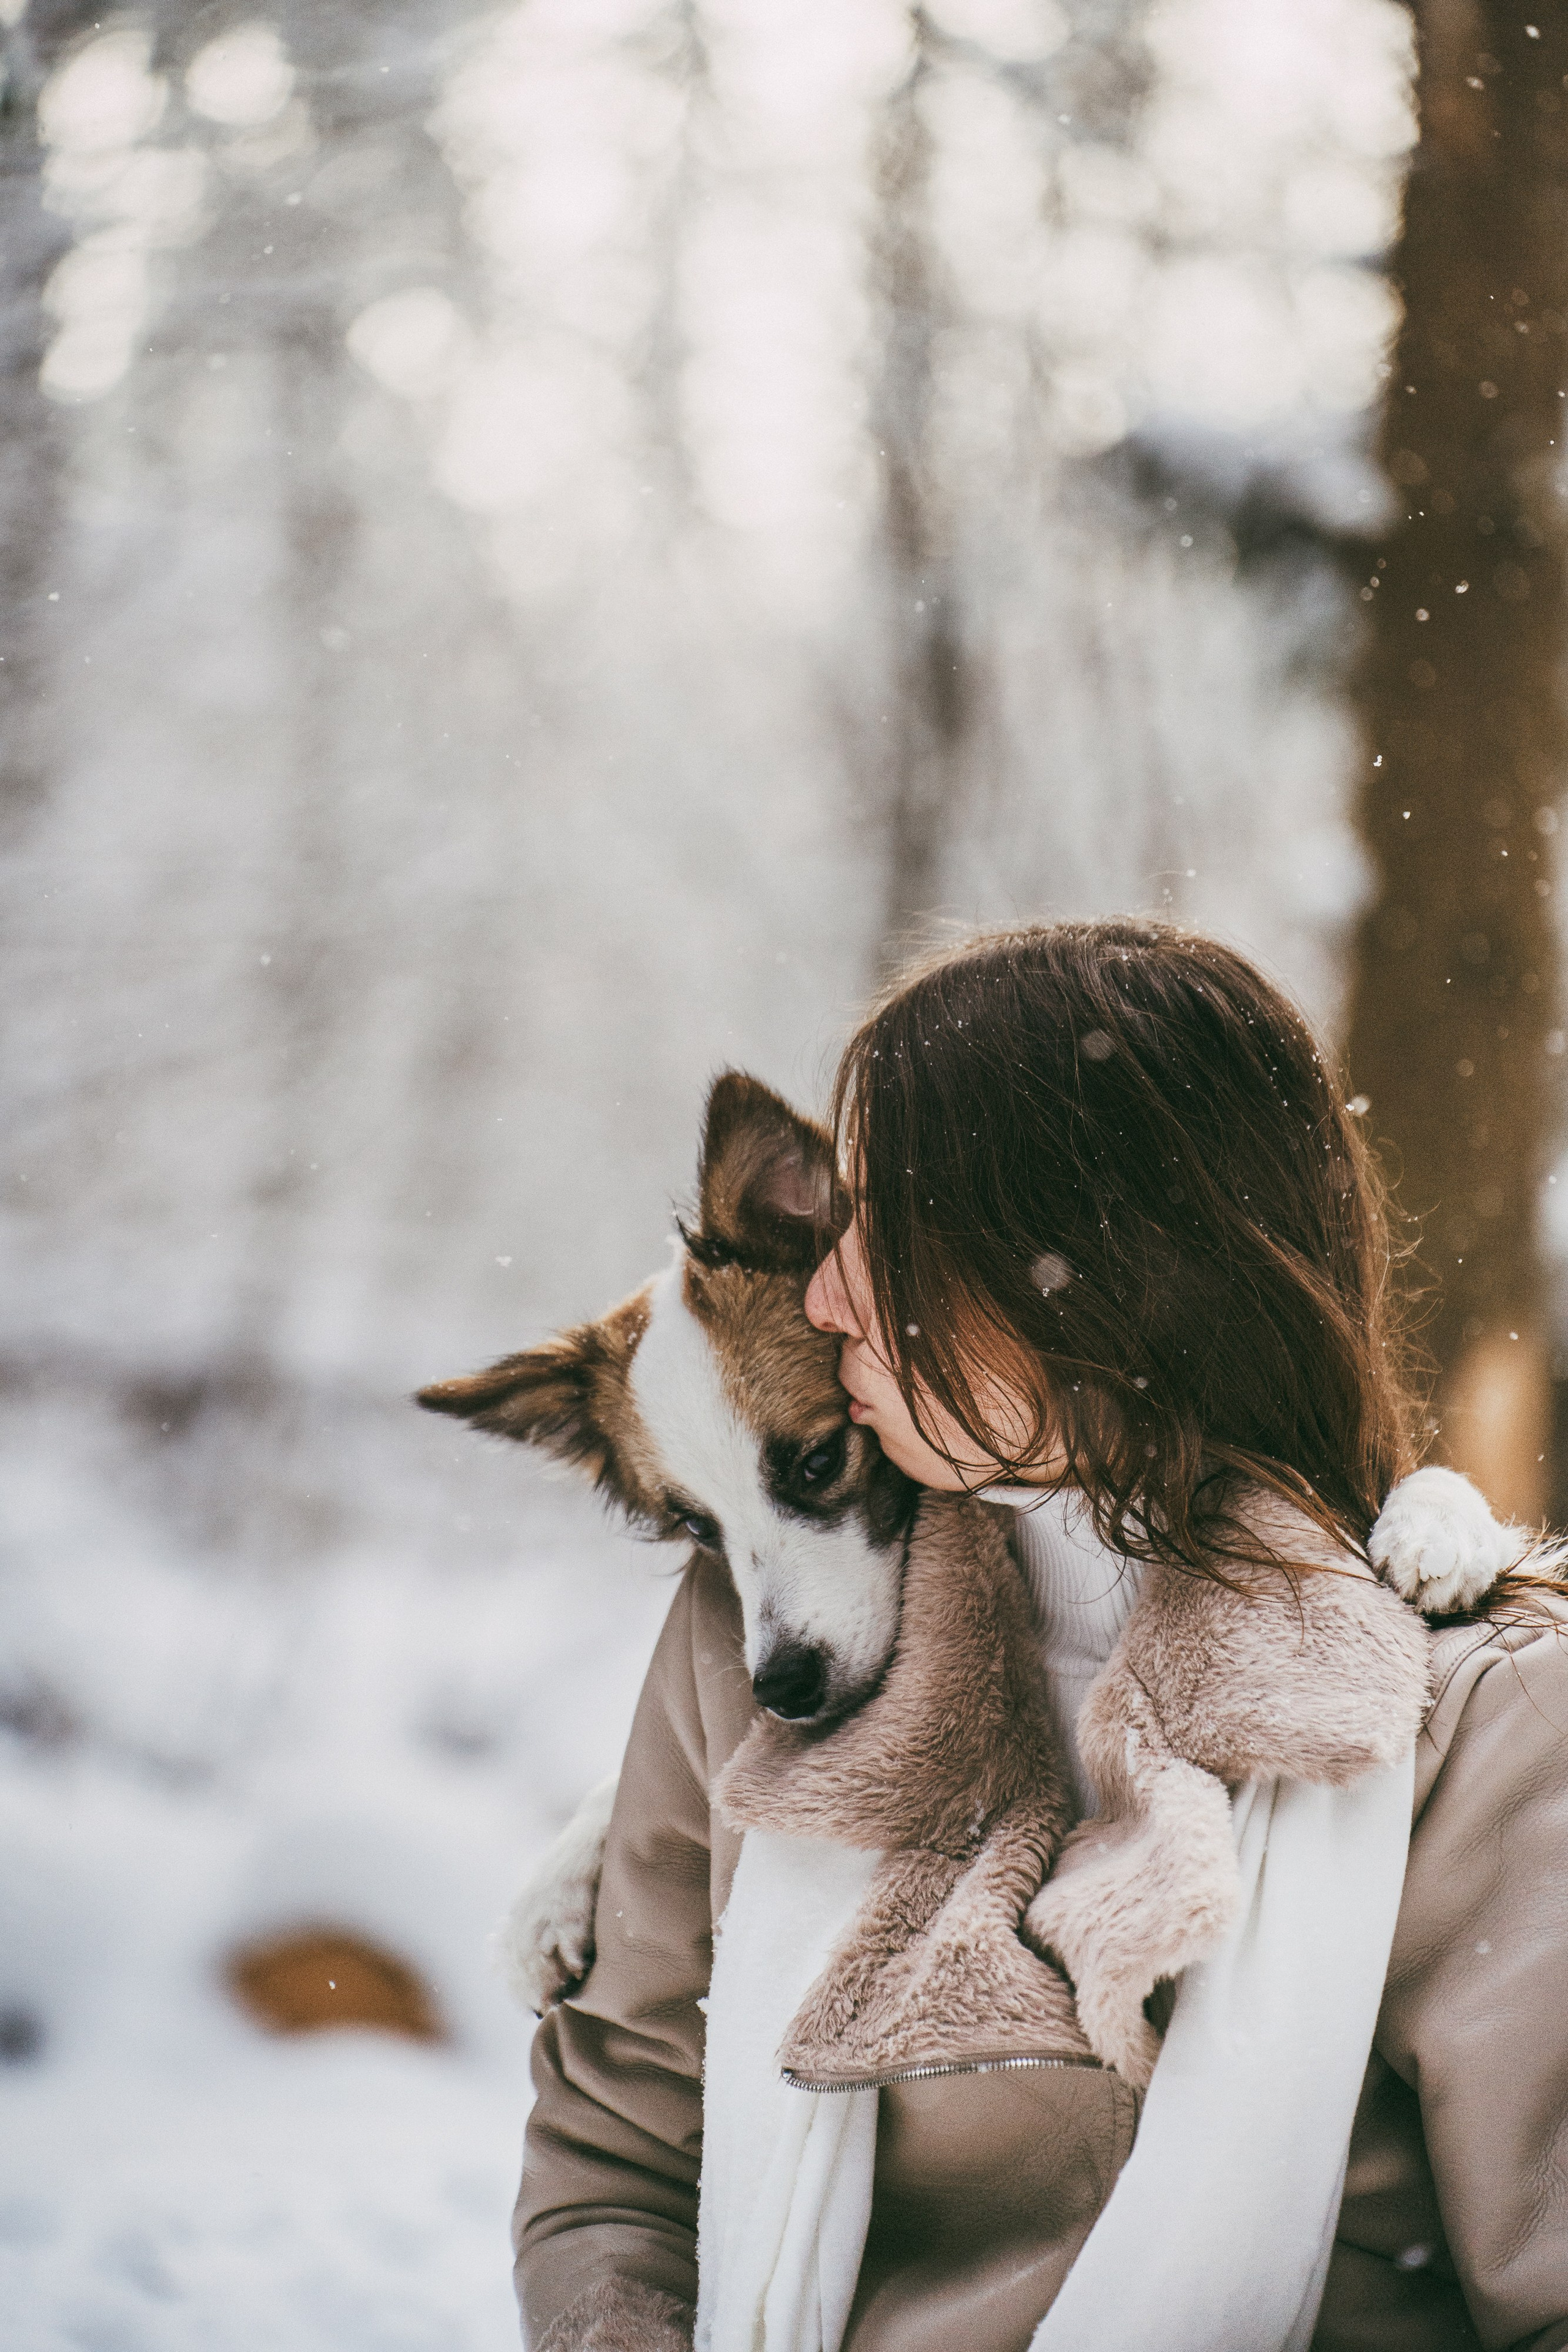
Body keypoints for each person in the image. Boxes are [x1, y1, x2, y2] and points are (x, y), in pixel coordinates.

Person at [516, 921, 1568, 2352]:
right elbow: (615, 2171)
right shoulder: (740, 1660)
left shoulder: (1479, 1716)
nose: (822, 1287)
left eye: (881, 1227)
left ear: (1098, 1264)